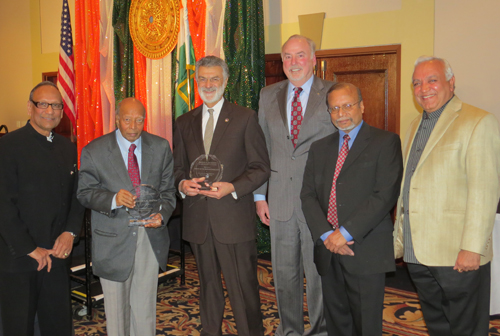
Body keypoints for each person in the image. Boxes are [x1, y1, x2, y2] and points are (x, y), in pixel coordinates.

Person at [393, 56, 500, 336]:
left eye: (432, 80)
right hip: (418, 252)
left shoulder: (478, 121)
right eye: (416, 82)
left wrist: (472, 247)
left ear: (451, 83)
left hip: (457, 253)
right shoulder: (415, 124)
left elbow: (484, 190)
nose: (423, 88)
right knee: (437, 323)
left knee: (467, 327)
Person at [173, 55, 270, 336]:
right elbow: (178, 167)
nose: (208, 84)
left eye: (215, 78)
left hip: (233, 220)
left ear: (226, 81)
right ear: (196, 82)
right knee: (208, 287)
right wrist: (182, 184)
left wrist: (233, 187)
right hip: (199, 220)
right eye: (202, 78)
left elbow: (261, 167)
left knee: (243, 289)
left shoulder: (245, 118)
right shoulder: (183, 122)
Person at [300, 82, 403, 335]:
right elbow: (308, 195)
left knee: (366, 325)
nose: (341, 113)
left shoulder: (385, 142)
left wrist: (343, 233)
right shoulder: (319, 147)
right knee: (337, 322)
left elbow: (384, 195)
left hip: (365, 249)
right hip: (328, 250)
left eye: (347, 105)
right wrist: (327, 235)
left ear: (362, 106)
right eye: (334, 108)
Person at [254, 34, 334, 335]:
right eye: (287, 56)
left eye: (300, 55)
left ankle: (321, 331)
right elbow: (261, 150)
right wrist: (260, 196)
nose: (293, 62)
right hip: (280, 202)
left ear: (313, 59)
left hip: (320, 202)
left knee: (318, 275)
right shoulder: (268, 95)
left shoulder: (333, 93)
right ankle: (290, 331)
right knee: (284, 274)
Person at [77, 97, 176, 336]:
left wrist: (161, 216)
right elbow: (85, 193)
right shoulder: (94, 150)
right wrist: (113, 198)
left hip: (149, 238)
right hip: (112, 241)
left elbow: (168, 193)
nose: (133, 126)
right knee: (117, 315)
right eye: (127, 119)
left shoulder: (161, 147)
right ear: (117, 119)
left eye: (139, 120)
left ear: (145, 120)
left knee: (145, 312)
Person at [0, 81, 84, 336]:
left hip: (57, 255)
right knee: (19, 327)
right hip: (20, 258)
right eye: (43, 104)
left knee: (58, 325)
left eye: (56, 105)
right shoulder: (8, 146)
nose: (50, 110)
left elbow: (76, 196)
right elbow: (3, 204)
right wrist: (29, 248)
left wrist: (70, 233)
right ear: (30, 107)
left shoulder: (67, 147)